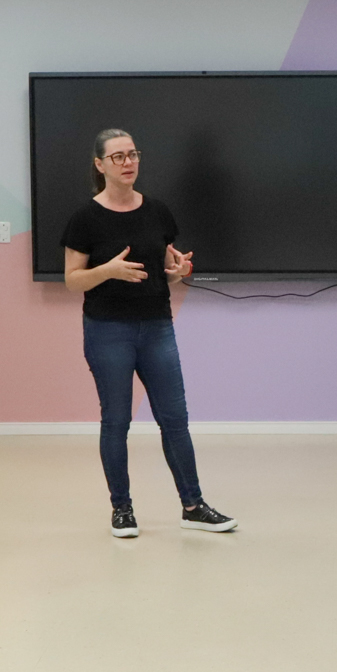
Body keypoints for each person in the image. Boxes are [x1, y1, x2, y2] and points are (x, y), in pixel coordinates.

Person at [61, 128, 234, 538]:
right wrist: (108, 271)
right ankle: (122, 510)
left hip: (157, 327)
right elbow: (72, 281)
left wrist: (178, 273)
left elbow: (166, 272)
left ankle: (193, 506)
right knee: (116, 421)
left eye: (133, 154)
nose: (128, 162)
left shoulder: (158, 211)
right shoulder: (84, 218)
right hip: (107, 331)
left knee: (175, 420)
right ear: (100, 165)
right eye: (118, 157)